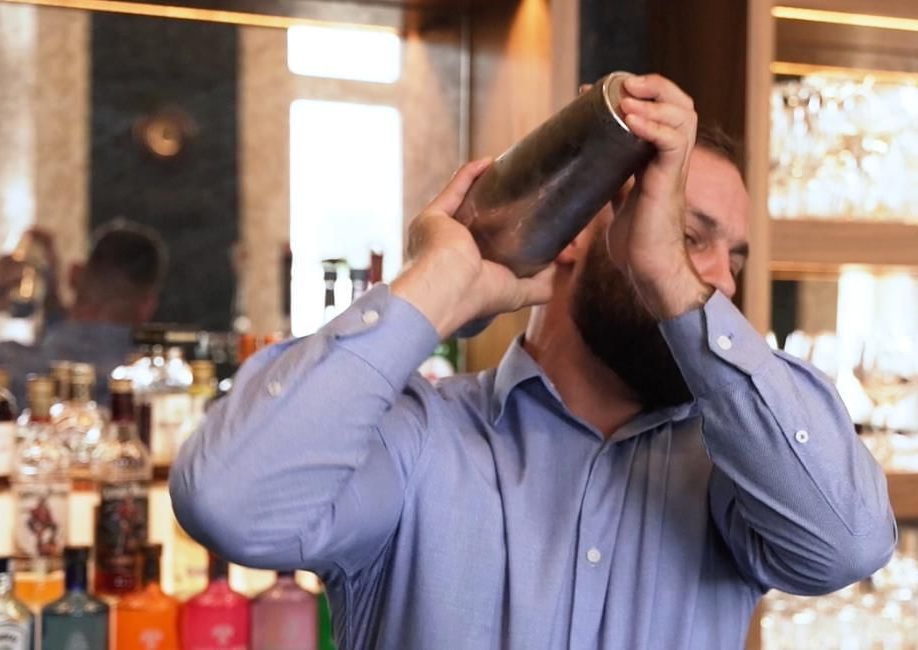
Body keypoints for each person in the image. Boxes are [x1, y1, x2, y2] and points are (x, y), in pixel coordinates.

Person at [170, 75, 895, 649]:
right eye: (688, 236)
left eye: (732, 259)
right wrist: (436, 286)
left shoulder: (730, 472)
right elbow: (232, 507)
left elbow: (848, 544)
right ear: (575, 233)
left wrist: (671, 277)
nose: (722, 284)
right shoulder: (422, 439)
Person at [0, 219, 166, 406]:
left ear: (73, 275)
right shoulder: (154, 385)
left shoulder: (6, 365)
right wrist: (52, 302)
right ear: (148, 307)